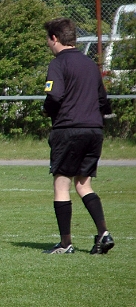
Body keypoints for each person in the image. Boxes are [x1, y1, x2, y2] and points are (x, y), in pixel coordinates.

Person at [41, 17, 115, 255]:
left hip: (68, 130)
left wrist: (48, 112)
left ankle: (65, 243)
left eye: (48, 39)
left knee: (61, 185)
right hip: (94, 131)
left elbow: (54, 97)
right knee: (84, 184)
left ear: (55, 38)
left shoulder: (58, 63)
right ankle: (103, 234)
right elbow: (104, 101)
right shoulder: (90, 64)